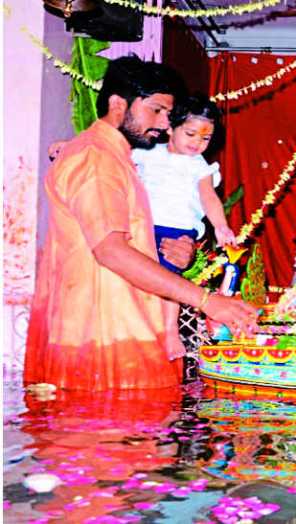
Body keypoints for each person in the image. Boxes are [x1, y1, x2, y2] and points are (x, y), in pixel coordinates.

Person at [24, 56, 258, 391]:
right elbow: (112, 252)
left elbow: (136, 240)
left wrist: (183, 251)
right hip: (103, 337)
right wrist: (207, 301)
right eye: (156, 110)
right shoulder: (96, 158)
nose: (165, 125)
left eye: (168, 114)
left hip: (125, 329)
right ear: (119, 104)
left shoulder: (123, 159)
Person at [131, 95, 236, 273]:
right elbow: (113, 155)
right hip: (141, 225)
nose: (197, 142)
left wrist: (221, 226)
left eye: (206, 138)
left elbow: (208, 197)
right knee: (136, 273)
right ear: (170, 128)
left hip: (177, 233)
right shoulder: (146, 152)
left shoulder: (200, 167)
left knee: (163, 279)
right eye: (190, 134)